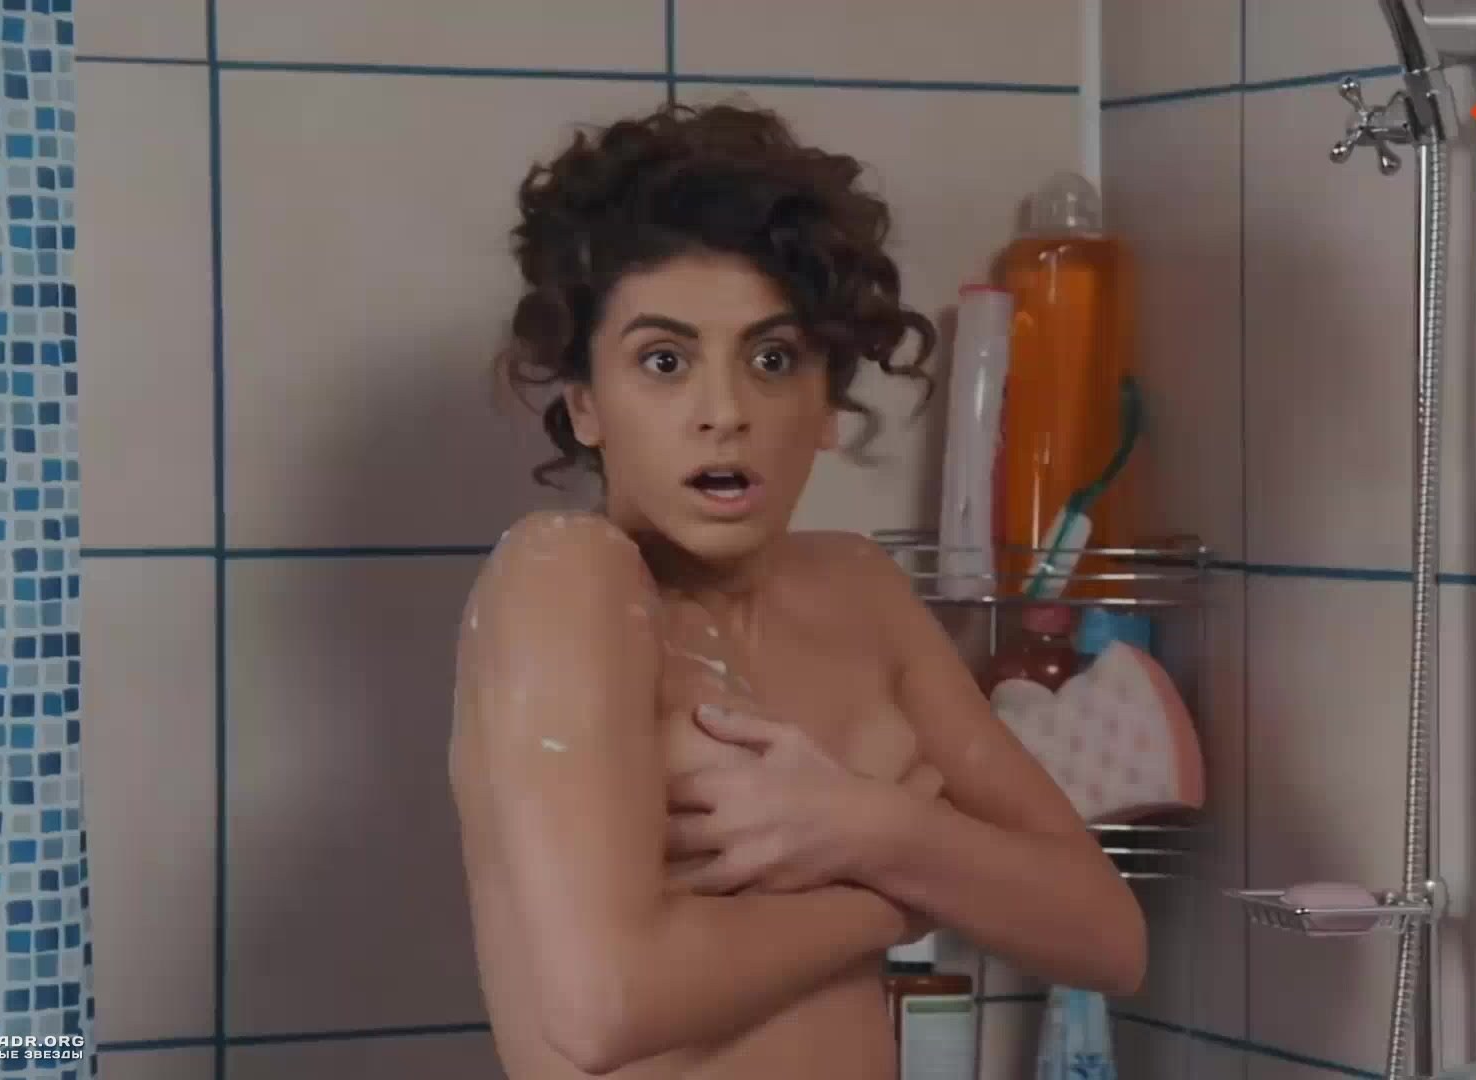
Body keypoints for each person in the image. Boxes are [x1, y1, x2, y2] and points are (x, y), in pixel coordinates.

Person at [447, 100, 1146, 1080]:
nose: (724, 411)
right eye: (664, 361)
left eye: (772, 360)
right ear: (586, 406)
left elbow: (1107, 937)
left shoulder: (860, 591)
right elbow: (605, 1006)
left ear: (826, 404)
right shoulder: (566, 578)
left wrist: (869, 827)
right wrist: (892, 892)